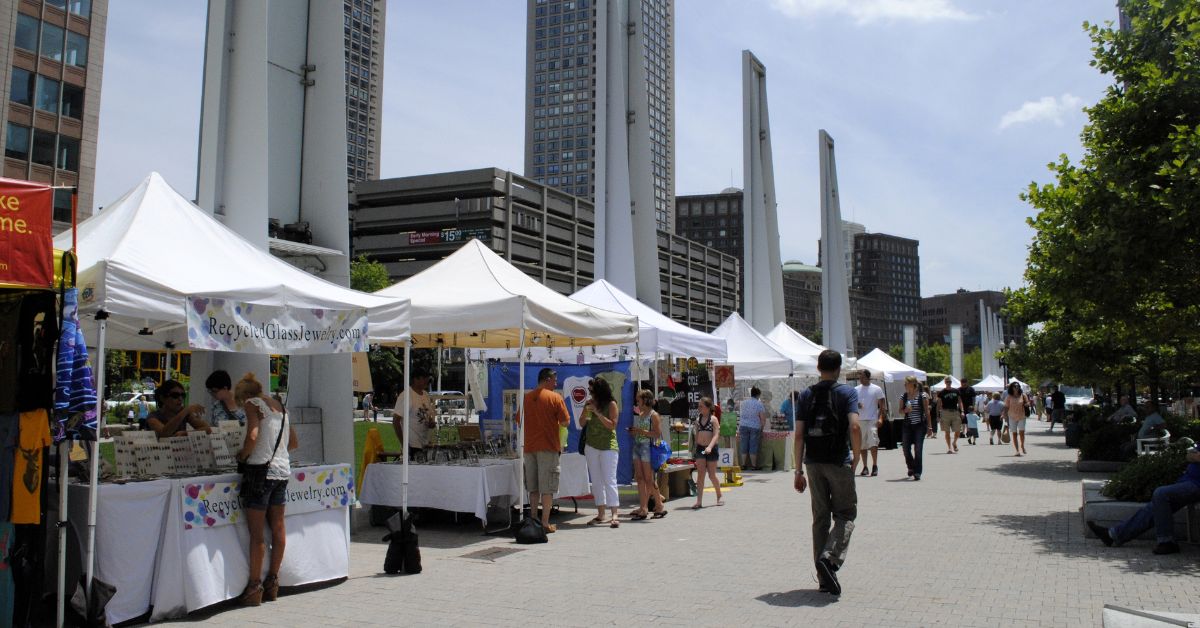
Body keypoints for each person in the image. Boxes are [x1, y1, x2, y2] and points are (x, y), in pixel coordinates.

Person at [794, 350, 861, 596]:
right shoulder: (847, 392)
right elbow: (854, 426)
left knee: (820, 518)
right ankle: (830, 558)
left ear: (818, 368)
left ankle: (823, 578)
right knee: (846, 513)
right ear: (839, 368)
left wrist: (797, 470)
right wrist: (857, 456)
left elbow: (799, 434)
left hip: (812, 462)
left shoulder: (806, 394)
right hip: (837, 460)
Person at [234, 372, 298, 606]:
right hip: (282, 471)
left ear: (246, 396)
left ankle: (254, 586)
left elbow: (252, 435)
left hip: (259, 471)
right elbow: (293, 443)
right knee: (279, 528)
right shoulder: (281, 408)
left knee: (257, 534)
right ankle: (273, 581)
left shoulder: (254, 404)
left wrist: (243, 454)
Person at [1088, 442, 1200, 555]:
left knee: (1161, 494)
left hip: (1197, 484)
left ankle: (1166, 542)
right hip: (1188, 480)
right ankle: (1112, 535)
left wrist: (1196, 457)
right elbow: (1189, 455)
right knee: (1156, 507)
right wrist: (1194, 456)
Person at [519, 368, 570, 533]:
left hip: (529, 447)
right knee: (547, 488)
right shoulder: (555, 397)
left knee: (533, 487)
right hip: (548, 447)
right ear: (547, 379)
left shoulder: (527, 398)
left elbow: (518, 419)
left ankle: (533, 519)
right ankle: (545, 523)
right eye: (554, 380)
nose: (556, 383)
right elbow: (565, 422)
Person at [580, 377, 621, 527]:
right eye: (589, 390)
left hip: (608, 446)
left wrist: (597, 412)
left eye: (592, 390)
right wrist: (585, 411)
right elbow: (581, 423)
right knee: (596, 481)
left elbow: (612, 426)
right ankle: (601, 513)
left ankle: (615, 514)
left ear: (599, 391)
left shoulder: (611, 404)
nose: (590, 393)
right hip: (591, 445)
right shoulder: (589, 403)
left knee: (609, 480)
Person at [629, 389, 668, 519]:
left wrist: (641, 431)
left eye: (638, 399)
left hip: (647, 447)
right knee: (639, 478)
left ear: (645, 400)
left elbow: (657, 433)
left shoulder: (653, 415)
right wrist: (635, 432)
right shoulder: (641, 414)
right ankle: (643, 507)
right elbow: (643, 432)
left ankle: (659, 505)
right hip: (638, 446)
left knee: (648, 479)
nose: (637, 402)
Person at [146, 380, 212, 439]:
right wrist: (185, 410)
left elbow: (207, 429)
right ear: (162, 398)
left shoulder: (183, 413)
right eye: (175, 395)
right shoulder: (153, 416)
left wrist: (186, 433)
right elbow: (164, 434)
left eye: (183, 395)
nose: (180, 399)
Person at [392, 369, 435, 460]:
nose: (427, 381)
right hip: (412, 445)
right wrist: (404, 444)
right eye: (424, 378)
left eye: (428, 378)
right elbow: (396, 421)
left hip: (425, 443)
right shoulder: (406, 395)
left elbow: (429, 415)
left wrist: (431, 422)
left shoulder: (426, 395)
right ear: (416, 379)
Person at [692, 397, 724, 509]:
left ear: (708, 407)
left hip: (711, 449)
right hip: (701, 448)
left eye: (701, 406)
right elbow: (697, 434)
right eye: (699, 406)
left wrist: (710, 447)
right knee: (700, 475)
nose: (699, 408)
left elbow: (716, 435)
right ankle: (699, 501)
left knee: (711, 475)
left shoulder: (713, 419)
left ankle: (719, 495)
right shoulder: (698, 419)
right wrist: (695, 447)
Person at [853, 370, 887, 477]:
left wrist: (881, 418)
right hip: (860, 419)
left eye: (862, 377)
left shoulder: (876, 389)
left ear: (868, 377)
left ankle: (875, 465)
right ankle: (865, 466)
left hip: (872, 419)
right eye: (860, 377)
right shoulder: (856, 390)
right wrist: (857, 405)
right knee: (862, 444)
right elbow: (853, 403)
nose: (861, 379)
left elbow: (882, 405)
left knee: (873, 442)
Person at [898, 376, 932, 480]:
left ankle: (917, 472)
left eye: (906, 383)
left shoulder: (923, 396)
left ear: (912, 384)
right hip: (907, 425)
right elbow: (900, 411)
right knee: (905, 448)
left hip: (919, 425)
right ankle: (911, 466)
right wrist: (905, 411)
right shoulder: (903, 396)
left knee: (918, 449)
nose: (904, 385)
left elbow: (927, 412)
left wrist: (930, 427)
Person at [738, 387, 767, 470]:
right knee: (753, 446)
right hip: (754, 426)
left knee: (744, 445)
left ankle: (743, 464)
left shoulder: (744, 402)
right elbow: (763, 418)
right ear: (758, 395)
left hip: (743, 425)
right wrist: (762, 427)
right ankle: (754, 466)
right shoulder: (759, 404)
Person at [1002, 382, 1030, 456]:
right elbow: (1006, 407)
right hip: (1012, 416)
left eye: (1017, 386)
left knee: (1022, 433)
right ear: (1012, 387)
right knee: (1014, 433)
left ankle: (1022, 446)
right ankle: (1017, 450)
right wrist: (1003, 415)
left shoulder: (1023, 395)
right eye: (1015, 386)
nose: (1016, 387)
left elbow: (1028, 403)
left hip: (1022, 416)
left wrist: (1027, 404)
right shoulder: (1009, 397)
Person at [937, 378, 963, 454]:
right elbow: (938, 404)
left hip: (955, 412)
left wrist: (962, 411)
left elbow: (960, 402)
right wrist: (938, 415)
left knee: (958, 430)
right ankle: (949, 448)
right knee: (947, 432)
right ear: (945, 383)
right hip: (945, 412)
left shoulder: (956, 391)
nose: (949, 383)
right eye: (947, 382)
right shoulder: (942, 392)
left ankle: (954, 442)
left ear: (951, 382)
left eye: (950, 382)